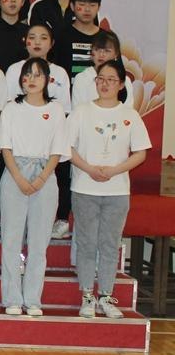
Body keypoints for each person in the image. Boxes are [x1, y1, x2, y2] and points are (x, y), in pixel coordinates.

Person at [67, 59, 149, 319]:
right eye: (100, 79)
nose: (105, 84)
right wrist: (89, 168)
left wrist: (115, 170)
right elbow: (67, 147)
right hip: (85, 187)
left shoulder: (130, 115)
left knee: (110, 244)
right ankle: (87, 296)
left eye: (111, 80)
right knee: (87, 243)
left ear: (121, 84)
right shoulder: (81, 111)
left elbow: (140, 153)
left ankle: (106, 296)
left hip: (117, 191)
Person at [0, 57, 68, 316]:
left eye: (38, 75)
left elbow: (58, 149)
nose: (31, 79)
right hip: (14, 172)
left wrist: (41, 179)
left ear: (47, 79)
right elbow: (5, 146)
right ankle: (12, 298)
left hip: (45, 175)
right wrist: (18, 177)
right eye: (27, 75)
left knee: (39, 243)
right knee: (11, 240)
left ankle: (33, 299)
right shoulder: (11, 108)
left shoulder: (56, 109)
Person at [5, 22, 72, 113]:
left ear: (52, 43)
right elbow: (9, 102)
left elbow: (64, 109)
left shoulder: (60, 73)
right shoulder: (14, 69)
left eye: (43, 38)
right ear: (25, 41)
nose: (37, 42)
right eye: (32, 38)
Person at [71, 31, 135, 110]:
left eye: (107, 51)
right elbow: (77, 111)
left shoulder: (125, 80)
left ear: (116, 54)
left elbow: (128, 111)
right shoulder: (81, 79)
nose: (101, 55)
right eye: (97, 49)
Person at [55, 0, 103, 79]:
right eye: (82, 4)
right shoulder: (61, 36)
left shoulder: (107, 38)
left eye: (92, 5)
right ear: (72, 6)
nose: (87, 9)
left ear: (98, 7)